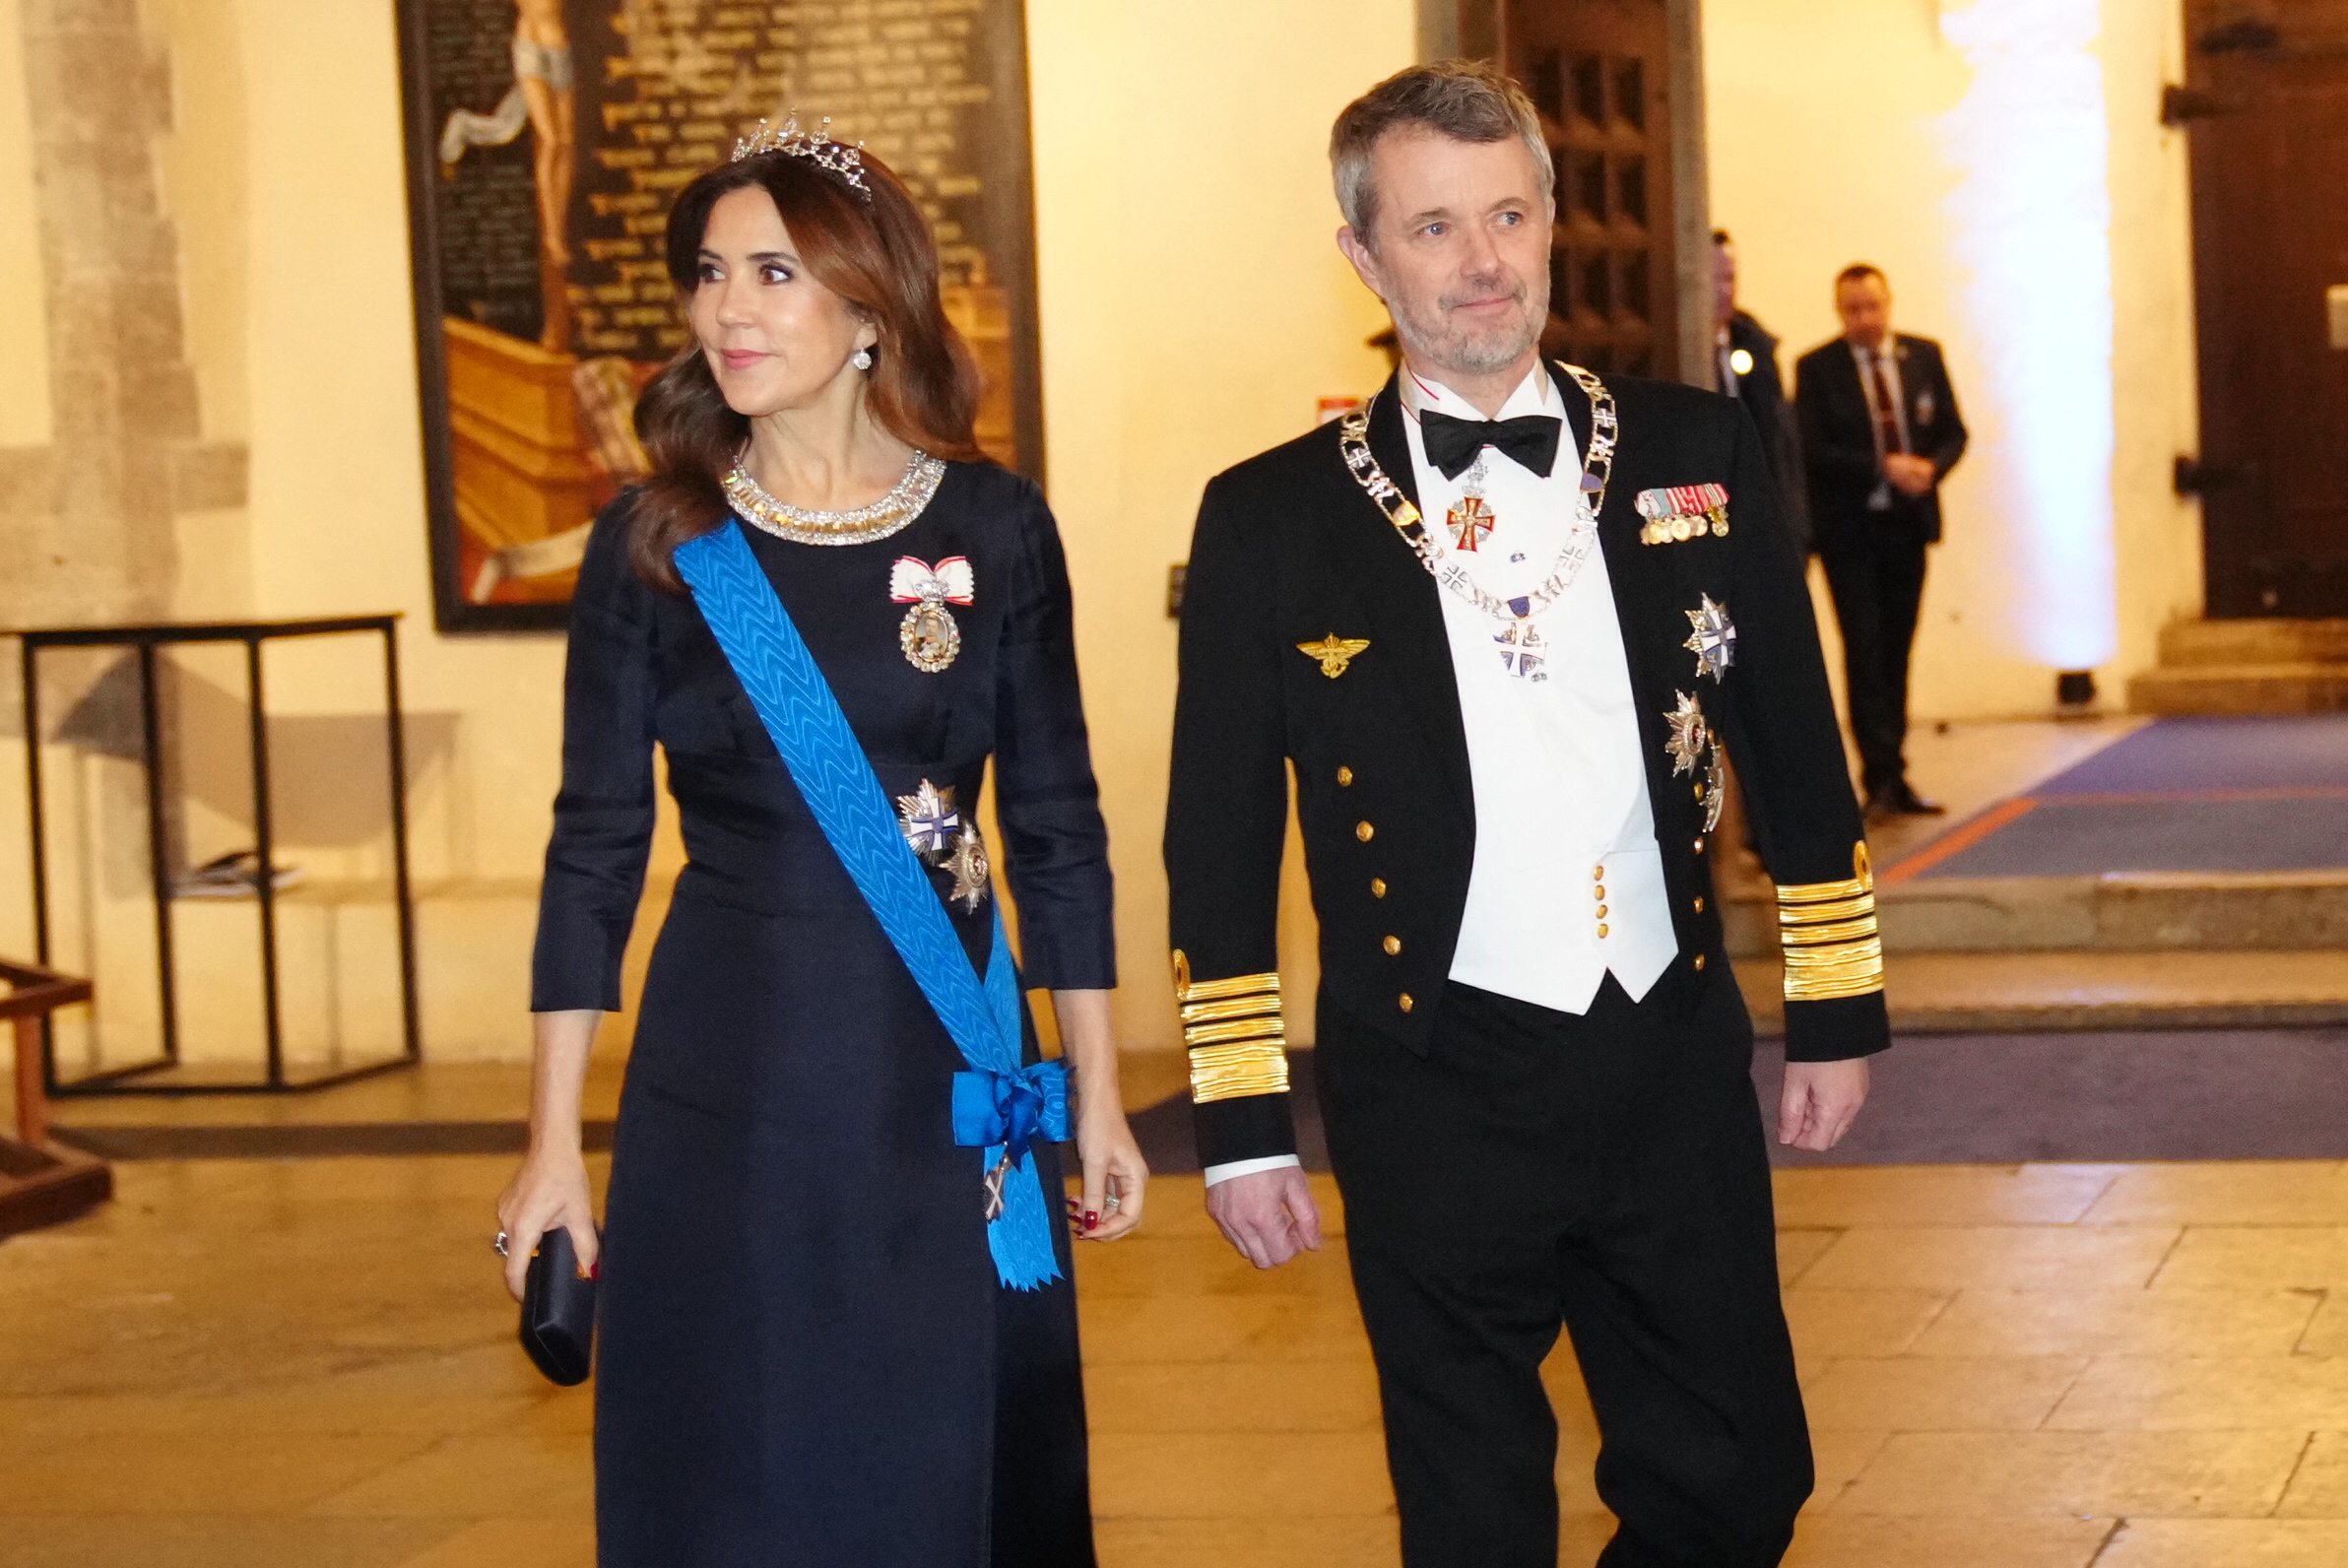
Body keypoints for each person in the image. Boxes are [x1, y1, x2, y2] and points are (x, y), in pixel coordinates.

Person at [1165, 61, 1888, 1568]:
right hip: (1432, 1072)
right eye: (1434, 228)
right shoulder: (1270, 518)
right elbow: (1217, 836)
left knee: (1739, 1477)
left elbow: (1797, 745)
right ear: (1363, 257)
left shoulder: (1698, 452)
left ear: (1554, 223)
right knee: (1475, 1514)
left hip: (1665, 1048)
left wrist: (1835, 1003)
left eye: (1508, 215)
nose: (1482, 260)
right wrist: (1240, 1121)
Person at [495, 118, 1145, 1567]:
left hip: (950, 1073)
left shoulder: (994, 527)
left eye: (776, 272)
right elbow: (592, 847)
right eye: (711, 273)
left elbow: (1056, 826)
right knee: (745, 1451)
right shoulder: (657, 543)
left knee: (941, 1449)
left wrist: (1096, 1090)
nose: (729, 307)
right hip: (730, 1075)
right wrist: (552, 1143)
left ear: (868, 307)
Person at [1794, 264, 1968, 817]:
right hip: (1851, 532)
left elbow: (1954, 432)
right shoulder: (1818, 368)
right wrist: (1881, 468)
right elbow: (1813, 449)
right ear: (1838, 311)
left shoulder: (1923, 356)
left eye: (1872, 306)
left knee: (1897, 651)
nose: (1864, 319)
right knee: (1864, 651)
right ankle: (1876, 779)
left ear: (1889, 302)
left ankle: (1896, 773)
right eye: (1852, 309)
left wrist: (1929, 468)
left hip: (1907, 527)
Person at [1713, 229, 1809, 555]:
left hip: (1759, 507)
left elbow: (1778, 441)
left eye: (1729, 278)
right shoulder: (1678, 351)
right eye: (1714, 280)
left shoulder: (1755, 346)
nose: (1724, 291)